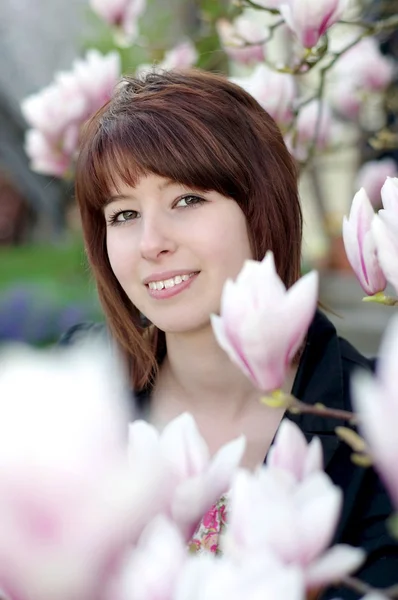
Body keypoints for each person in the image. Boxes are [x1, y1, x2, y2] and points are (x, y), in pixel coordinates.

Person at [61, 69, 398, 598]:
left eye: (187, 200)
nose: (151, 243)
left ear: (261, 207)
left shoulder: (376, 430)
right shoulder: (77, 390)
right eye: (123, 213)